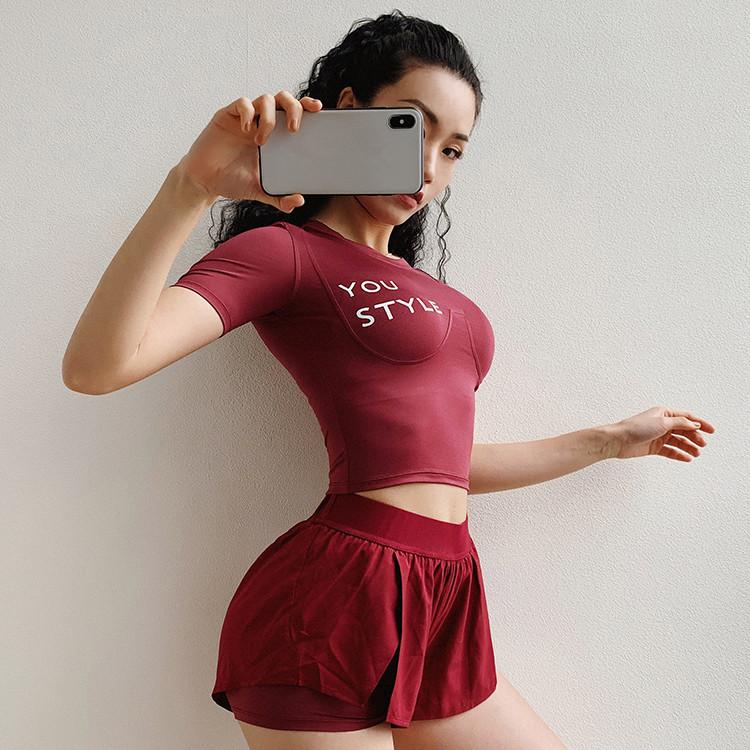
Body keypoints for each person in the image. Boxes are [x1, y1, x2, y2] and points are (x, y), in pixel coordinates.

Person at [62, 10, 573, 750]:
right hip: (335, 603)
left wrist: (611, 440)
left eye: (453, 149)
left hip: (446, 595)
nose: (430, 166)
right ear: (349, 109)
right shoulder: (286, 253)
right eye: (411, 127)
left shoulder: (440, 295)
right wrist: (190, 186)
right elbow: (97, 366)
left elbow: (439, 467)